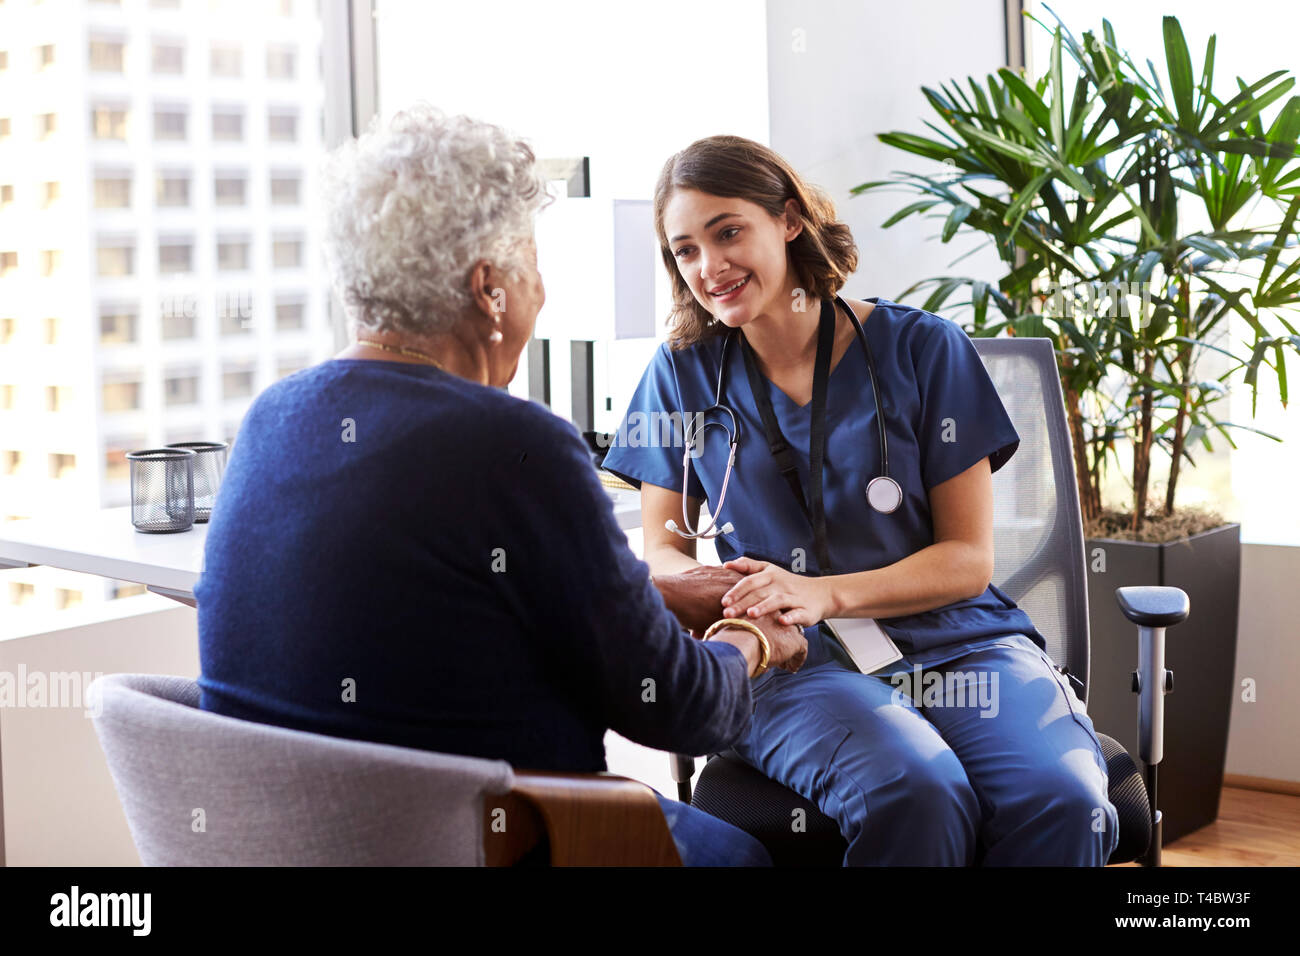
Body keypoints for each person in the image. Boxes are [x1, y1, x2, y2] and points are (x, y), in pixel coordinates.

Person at [193, 104, 809, 867]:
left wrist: (649, 595)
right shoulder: (515, 447)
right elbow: (683, 712)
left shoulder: (271, 420)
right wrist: (753, 638)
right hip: (500, 845)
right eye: (531, 265)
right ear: (490, 288)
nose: (540, 292)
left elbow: (444, 611)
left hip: (298, 843)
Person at [599, 134, 1121, 866]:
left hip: (957, 641)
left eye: (728, 232)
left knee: (1062, 803)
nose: (709, 268)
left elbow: (967, 561)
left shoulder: (924, 350)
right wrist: (717, 594)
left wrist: (821, 592)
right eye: (684, 250)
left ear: (787, 220)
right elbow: (666, 546)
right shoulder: (682, 375)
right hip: (790, 661)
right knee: (915, 790)